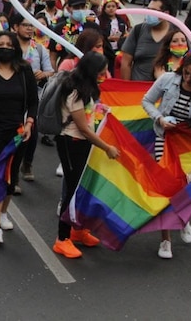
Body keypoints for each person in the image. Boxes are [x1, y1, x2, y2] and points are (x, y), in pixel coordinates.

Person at [142, 50, 191, 259]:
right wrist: (159, 119)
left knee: (185, 188)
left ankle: (183, 218)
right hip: (164, 139)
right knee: (166, 188)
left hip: (190, 146)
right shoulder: (168, 80)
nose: (188, 78)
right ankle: (165, 240)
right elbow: (147, 101)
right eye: (186, 73)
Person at [52, 52, 119, 259]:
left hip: (81, 144)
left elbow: (88, 112)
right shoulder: (74, 91)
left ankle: (77, 230)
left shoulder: (86, 89)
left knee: (82, 189)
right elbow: (83, 128)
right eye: (101, 72)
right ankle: (62, 239)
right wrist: (106, 147)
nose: (104, 75)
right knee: (71, 191)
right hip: (71, 143)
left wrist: (100, 108)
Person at [0, 31, 37, 246]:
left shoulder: (24, 70)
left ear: (15, 47)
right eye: (0, 44)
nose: (4, 47)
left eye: (8, 44)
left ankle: (3, 213)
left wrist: (30, 123)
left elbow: (33, 101)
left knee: (11, 177)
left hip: (18, 134)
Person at [10, 14, 54, 174]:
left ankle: (27, 163)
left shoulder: (39, 49)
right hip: (12, 98)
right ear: (15, 27)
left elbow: (51, 72)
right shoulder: (9, 46)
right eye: (25, 25)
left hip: (33, 98)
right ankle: (11, 171)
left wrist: (43, 74)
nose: (29, 28)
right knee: (14, 134)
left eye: (32, 25)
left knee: (32, 134)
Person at [120, 0, 173, 81]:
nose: (149, 14)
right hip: (138, 89)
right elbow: (126, 63)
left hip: (165, 89)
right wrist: (127, 88)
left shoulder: (176, 33)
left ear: (165, 14)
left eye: (154, 11)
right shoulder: (138, 30)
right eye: (148, 10)